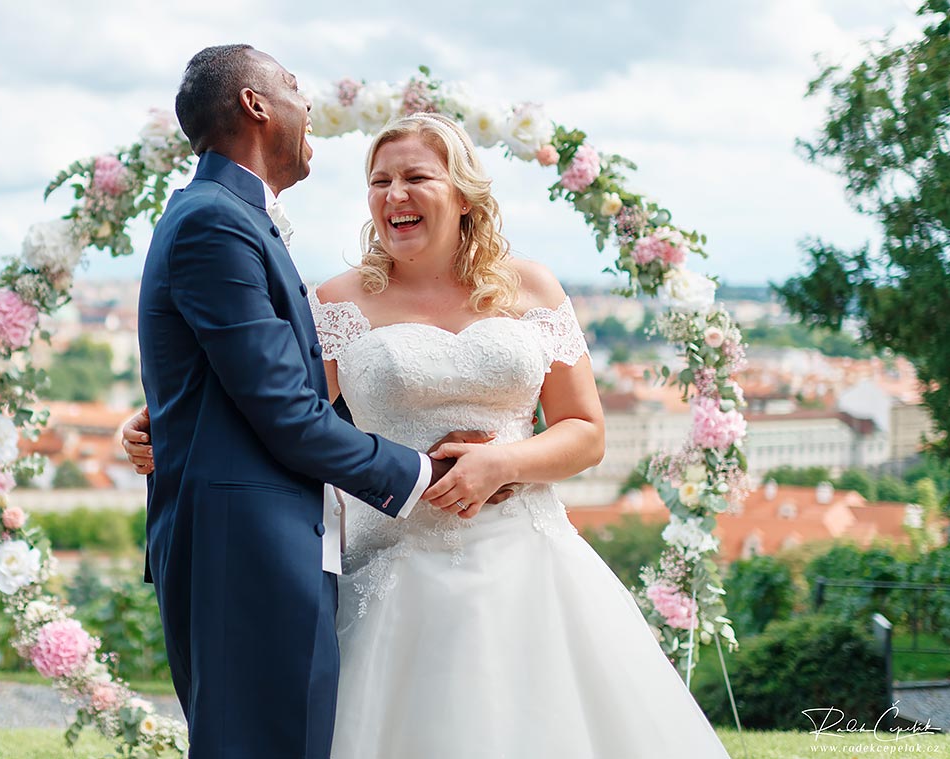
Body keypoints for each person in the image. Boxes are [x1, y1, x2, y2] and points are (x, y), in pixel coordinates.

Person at [128, 111, 731, 756]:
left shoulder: (533, 287)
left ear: (464, 194)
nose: (394, 195)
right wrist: (160, 423)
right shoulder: (335, 301)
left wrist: (505, 464)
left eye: (416, 176)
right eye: (379, 181)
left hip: (530, 559)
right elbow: (273, 410)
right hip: (393, 565)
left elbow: (585, 431)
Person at [136, 46, 501, 759]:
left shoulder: (230, 216)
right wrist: (430, 473)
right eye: (295, 88)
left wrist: (165, 418)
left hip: (261, 542)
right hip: (246, 551)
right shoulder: (216, 221)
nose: (310, 112)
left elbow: (241, 383)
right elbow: (287, 413)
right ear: (255, 104)